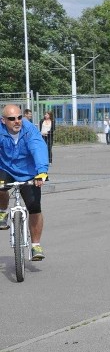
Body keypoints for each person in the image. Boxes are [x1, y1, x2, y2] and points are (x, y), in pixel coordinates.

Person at [0, 104, 49, 260]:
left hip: (28, 171)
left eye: (19, 117)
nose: (17, 121)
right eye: (12, 119)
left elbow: (38, 147)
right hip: (5, 168)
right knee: (1, 188)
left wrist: (41, 172)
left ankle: (36, 246)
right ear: (3, 120)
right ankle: (2, 212)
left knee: (34, 207)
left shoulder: (29, 130)